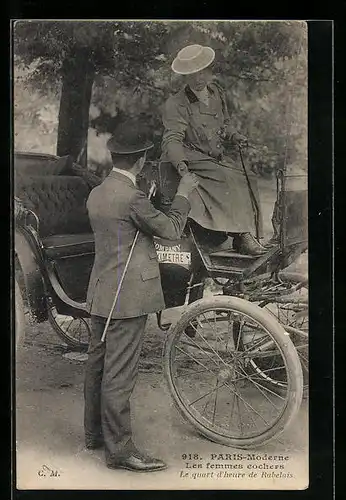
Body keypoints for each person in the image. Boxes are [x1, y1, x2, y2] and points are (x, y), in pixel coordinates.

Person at [84, 119, 198, 472]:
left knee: (98, 365)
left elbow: (123, 225)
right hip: (128, 296)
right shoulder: (133, 198)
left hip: (102, 291)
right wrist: (184, 192)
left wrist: (145, 200)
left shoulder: (99, 191)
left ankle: (94, 436)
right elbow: (171, 229)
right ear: (141, 160)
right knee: (120, 373)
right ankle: (120, 451)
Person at [161, 44, 265, 256]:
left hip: (213, 156)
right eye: (192, 75)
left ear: (209, 70)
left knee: (247, 176)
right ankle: (240, 235)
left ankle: (249, 233)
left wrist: (235, 135)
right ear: (185, 77)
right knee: (225, 177)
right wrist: (181, 167)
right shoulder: (177, 103)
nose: (198, 79)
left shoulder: (216, 93)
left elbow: (225, 124)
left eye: (202, 72)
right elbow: (172, 139)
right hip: (190, 155)